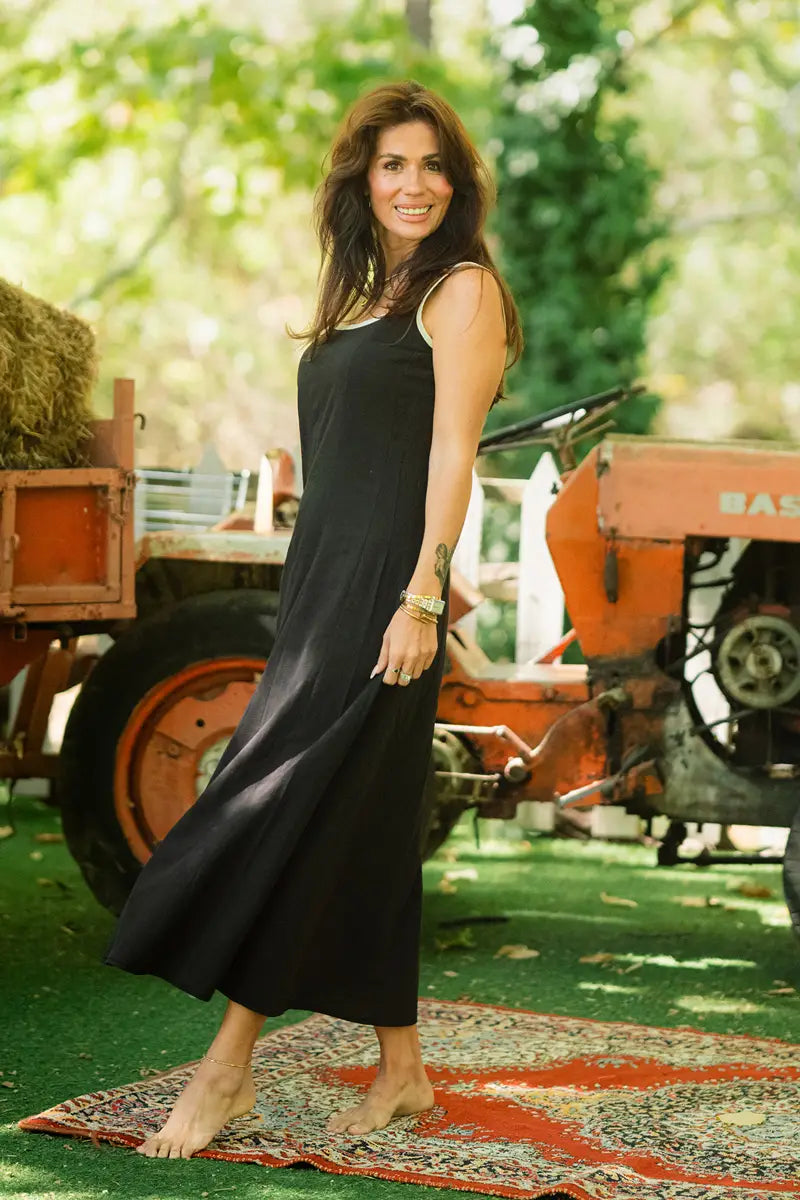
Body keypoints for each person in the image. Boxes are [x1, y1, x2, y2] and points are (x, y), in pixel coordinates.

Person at [103, 78, 522, 1160]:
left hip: (389, 589)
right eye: (392, 164)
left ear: (455, 181)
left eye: (432, 164)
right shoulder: (362, 295)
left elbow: (449, 456)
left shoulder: (462, 290)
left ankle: (227, 1067)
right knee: (369, 824)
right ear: (362, 178)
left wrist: (421, 595)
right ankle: (404, 1071)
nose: (413, 183)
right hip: (322, 583)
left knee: (292, 804)